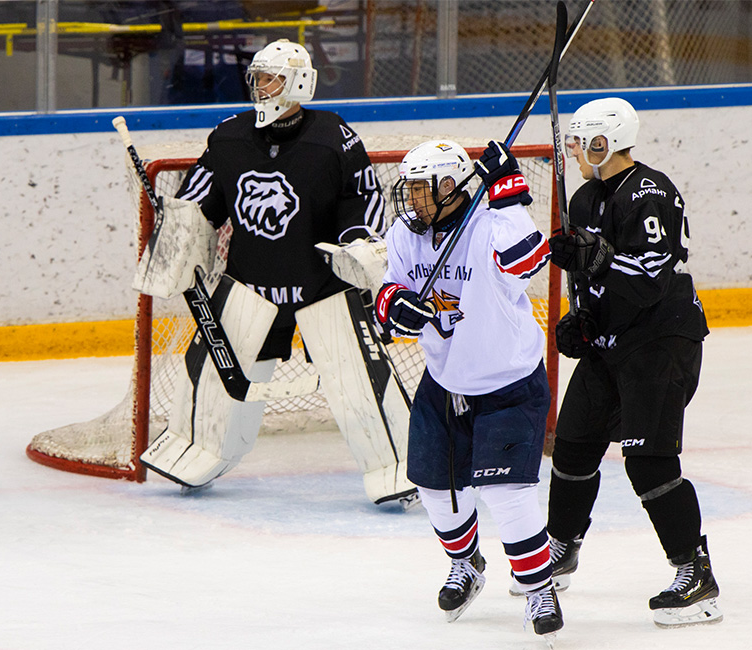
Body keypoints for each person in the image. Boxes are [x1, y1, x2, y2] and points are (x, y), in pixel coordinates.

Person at [137, 39, 418, 508]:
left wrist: (359, 243)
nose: (260, 87)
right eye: (257, 77)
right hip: (249, 285)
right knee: (209, 375)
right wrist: (178, 233)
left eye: (270, 78)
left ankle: (396, 464)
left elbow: (363, 198)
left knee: (360, 384)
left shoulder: (334, 137)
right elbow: (197, 201)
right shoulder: (228, 137)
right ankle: (196, 447)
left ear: (299, 82)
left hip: (324, 289)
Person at [376, 139, 564, 642]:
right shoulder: (404, 234)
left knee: (507, 492)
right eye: (409, 190)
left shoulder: (489, 224)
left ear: (450, 187)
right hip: (444, 383)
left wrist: (507, 192)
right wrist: (395, 305)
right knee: (436, 487)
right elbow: (389, 287)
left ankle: (538, 588)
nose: (411, 201)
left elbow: (529, 260)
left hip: (507, 383)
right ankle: (467, 564)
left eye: (420, 191)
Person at [543, 97, 721, 628]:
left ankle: (696, 575)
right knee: (573, 445)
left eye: (582, 142)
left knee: (648, 460)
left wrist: (592, 259)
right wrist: (584, 317)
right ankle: (562, 547)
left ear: (604, 143)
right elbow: (591, 278)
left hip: (660, 342)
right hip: (613, 341)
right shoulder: (583, 197)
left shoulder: (651, 193)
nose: (574, 149)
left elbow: (646, 281)